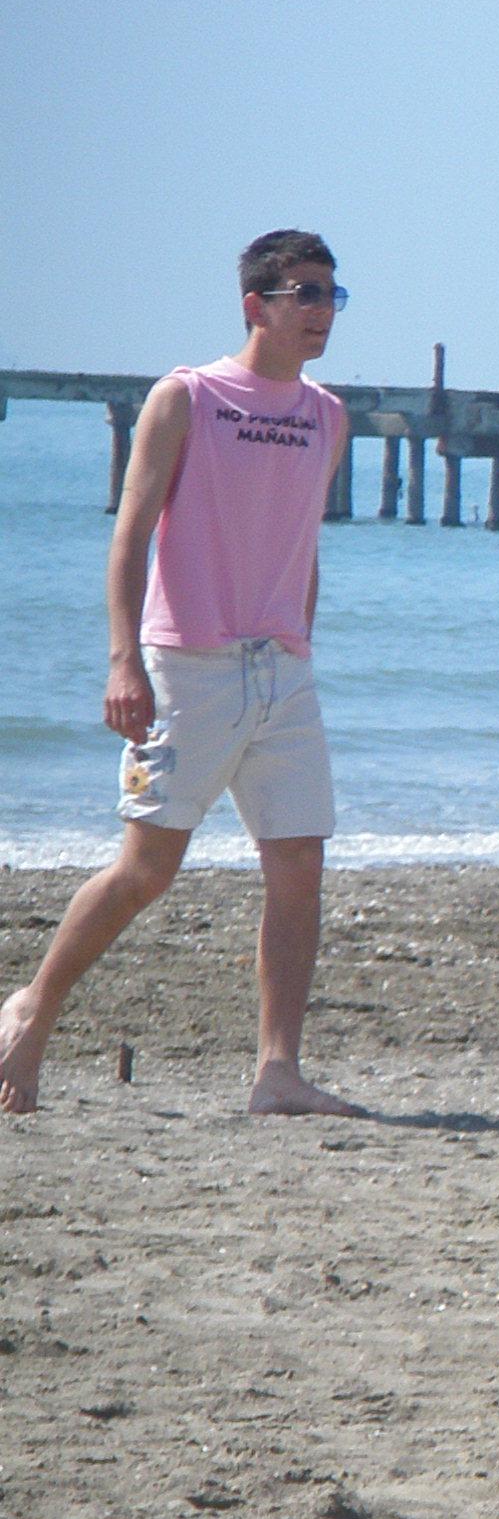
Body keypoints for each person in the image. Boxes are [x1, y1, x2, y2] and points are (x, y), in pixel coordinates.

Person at [0, 231, 362, 1118]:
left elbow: (303, 543)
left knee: (298, 868)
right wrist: (124, 659)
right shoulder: (188, 397)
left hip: (281, 668)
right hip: (186, 664)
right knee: (146, 870)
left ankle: (279, 1070)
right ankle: (29, 1011)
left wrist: (298, 643)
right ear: (257, 305)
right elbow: (130, 535)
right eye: (304, 293)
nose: (320, 310)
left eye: (331, 294)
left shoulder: (326, 414)